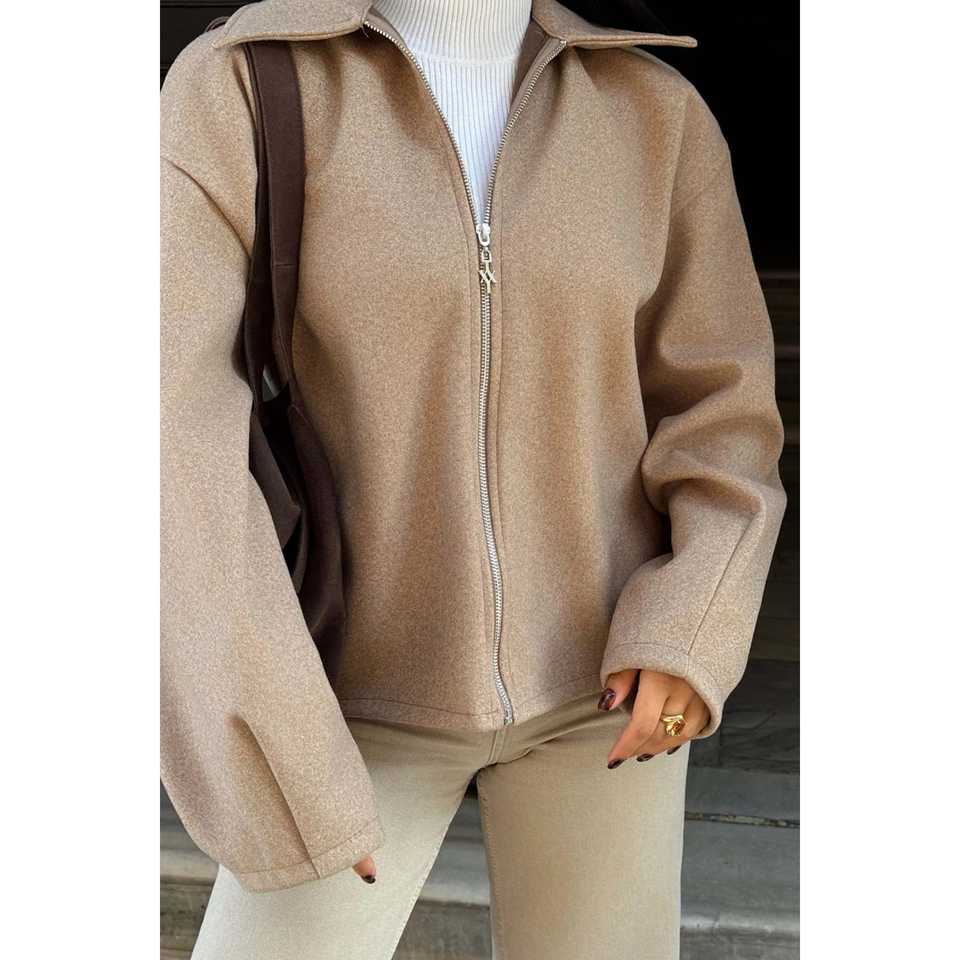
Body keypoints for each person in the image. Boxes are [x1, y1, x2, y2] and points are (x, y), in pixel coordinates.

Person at [159, 1, 787, 957]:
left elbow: (723, 408)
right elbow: (172, 439)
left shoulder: (651, 113)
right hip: (341, 701)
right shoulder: (239, 86)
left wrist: (692, 625)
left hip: (606, 695)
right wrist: (273, 739)